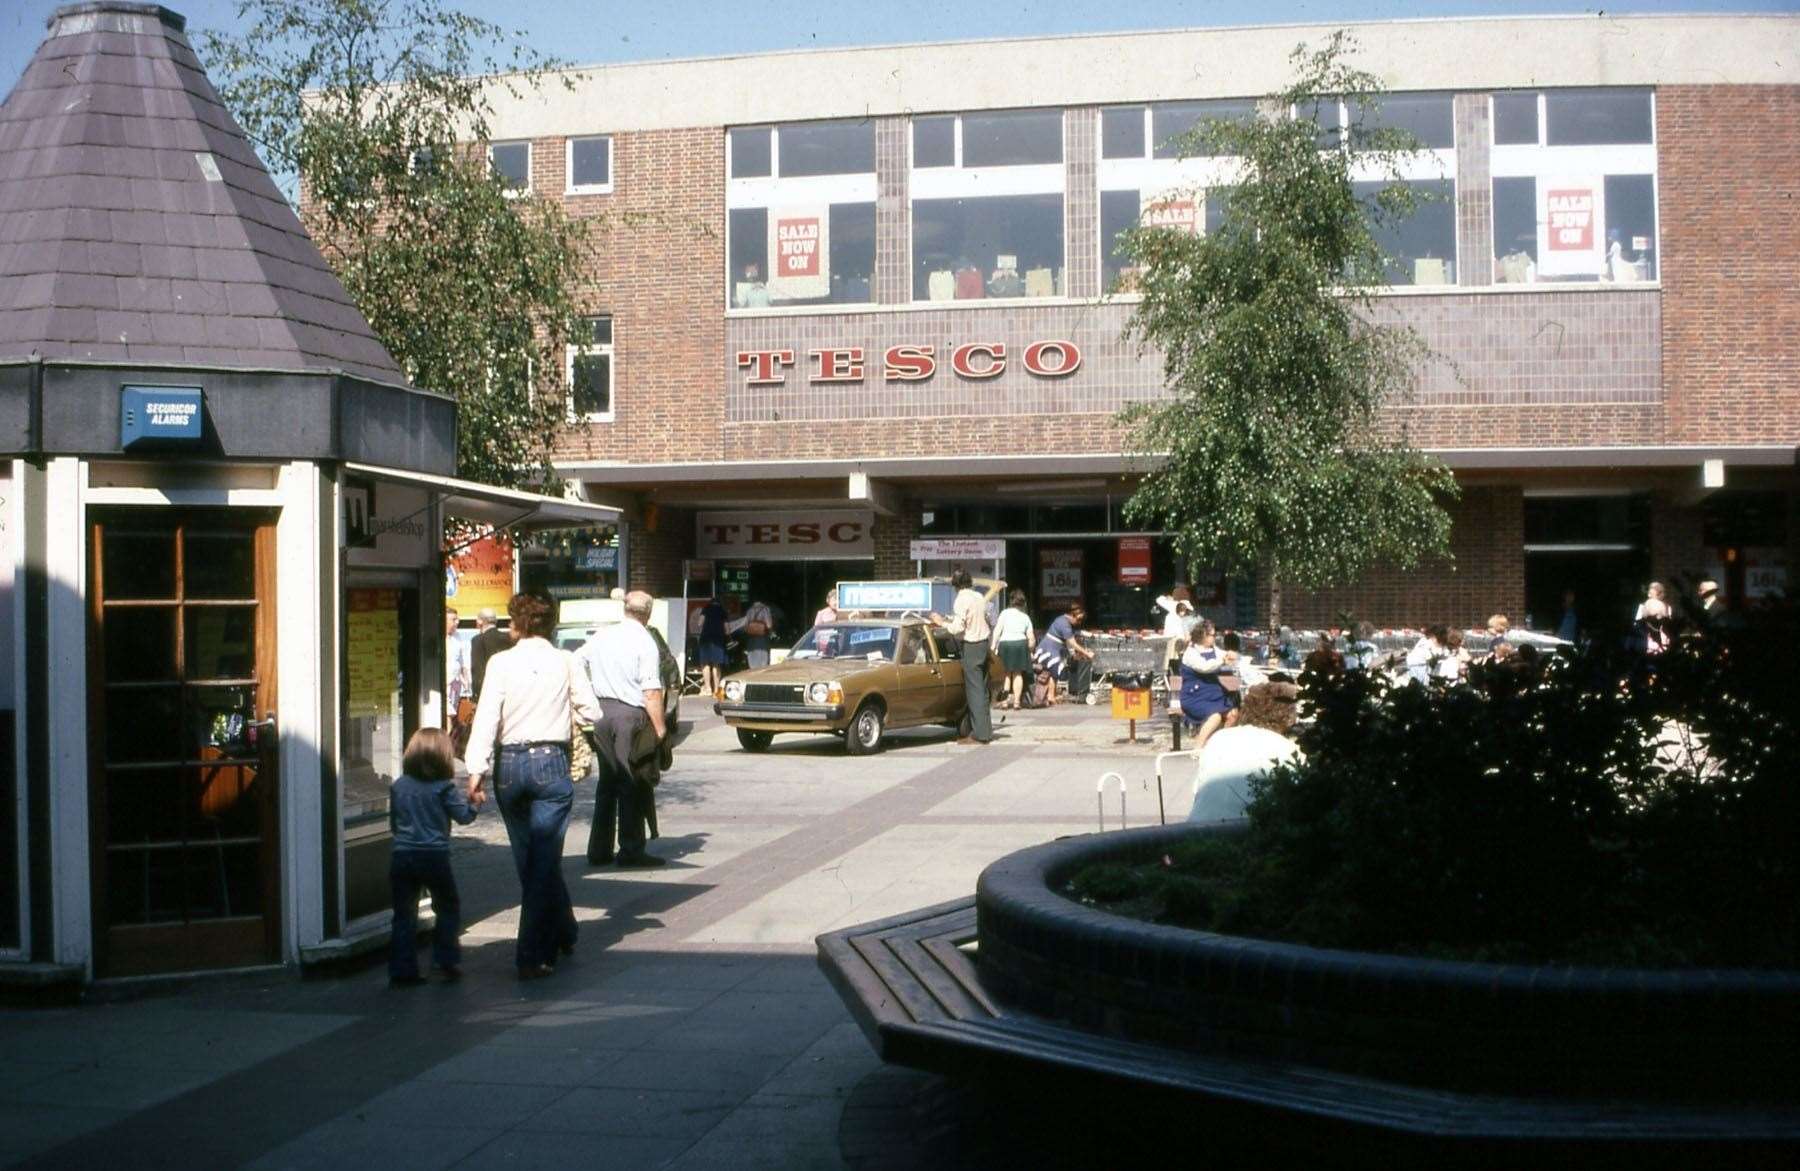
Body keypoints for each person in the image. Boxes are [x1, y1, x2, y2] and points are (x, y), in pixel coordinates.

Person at [466, 593, 601, 980]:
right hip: (549, 763)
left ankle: (564, 929)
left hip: (508, 765)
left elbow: (487, 719)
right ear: (550, 625)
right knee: (544, 861)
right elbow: (593, 711)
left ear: (518, 624)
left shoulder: (501, 662)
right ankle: (533, 952)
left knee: (530, 860)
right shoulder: (566, 660)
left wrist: (476, 771)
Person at [577, 590, 669, 869]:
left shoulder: (603, 635)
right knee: (631, 781)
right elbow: (651, 691)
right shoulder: (645, 641)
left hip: (602, 713)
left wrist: (587, 695)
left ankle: (599, 849)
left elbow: (577, 660)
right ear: (648, 613)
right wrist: (661, 729)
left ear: (625, 610)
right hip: (630, 715)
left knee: (607, 782)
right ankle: (631, 848)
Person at [387, 727, 478, 987]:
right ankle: (445, 959)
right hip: (434, 855)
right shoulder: (443, 788)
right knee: (447, 907)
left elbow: (394, 823)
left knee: (403, 914)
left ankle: (402, 970)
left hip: (402, 855)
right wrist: (475, 802)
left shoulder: (399, 786)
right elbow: (464, 817)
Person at [1186, 683, 1302, 823]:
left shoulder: (1220, 738)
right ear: (1288, 717)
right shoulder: (1287, 750)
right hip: (1246, 833)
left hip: (1196, 829)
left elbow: (1198, 789)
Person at [929, 570, 995, 745]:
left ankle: (979, 735)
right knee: (983, 689)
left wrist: (940, 622)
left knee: (975, 692)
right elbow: (984, 618)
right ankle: (986, 731)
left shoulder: (961, 600)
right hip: (983, 644)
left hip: (971, 645)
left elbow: (958, 628)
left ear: (955, 586)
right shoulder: (979, 596)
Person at [1179, 621, 1237, 749]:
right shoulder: (1191, 653)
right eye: (1212, 635)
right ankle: (1198, 748)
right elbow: (1204, 667)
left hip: (1213, 693)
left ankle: (1216, 746)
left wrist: (1230, 655)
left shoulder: (1213, 649)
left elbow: (1223, 655)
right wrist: (1222, 660)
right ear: (1203, 635)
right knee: (1215, 716)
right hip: (1195, 696)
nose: (1214, 637)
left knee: (1233, 714)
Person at [1035, 603, 1093, 703]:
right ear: (1072, 615)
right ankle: (1050, 696)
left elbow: (1070, 641)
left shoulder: (1062, 620)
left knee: (1051, 671)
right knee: (1054, 672)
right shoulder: (1064, 624)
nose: (1079, 622)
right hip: (1049, 649)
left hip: (1051, 648)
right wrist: (1086, 653)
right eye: (1078, 620)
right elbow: (1072, 642)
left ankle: (1050, 695)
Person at [991, 589, 1035, 711]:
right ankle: (1016, 702)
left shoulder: (1004, 613)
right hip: (1020, 644)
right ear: (1022, 603)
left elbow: (997, 631)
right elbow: (1031, 637)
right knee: (1018, 673)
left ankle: (1005, 702)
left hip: (1005, 644)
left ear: (1011, 601)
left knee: (1005, 674)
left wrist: (993, 647)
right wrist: (1031, 650)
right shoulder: (1025, 617)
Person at [1155, 585, 1196, 712]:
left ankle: (1174, 698)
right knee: (1179, 671)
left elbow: (1159, 599)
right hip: (1181, 642)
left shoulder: (1172, 606)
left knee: (1173, 671)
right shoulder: (1186, 608)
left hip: (1171, 642)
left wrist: (1169, 598)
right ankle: (1178, 698)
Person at [470, 607, 510, 697]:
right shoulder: (508, 637)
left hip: (487, 691)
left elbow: (477, 669)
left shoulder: (478, 640)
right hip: (507, 688)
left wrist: (476, 695)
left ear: (480, 621)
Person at [696, 595, 728, 695]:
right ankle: (716, 690)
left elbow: (699, 623)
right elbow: (727, 629)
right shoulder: (723, 611)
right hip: (718, 640)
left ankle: (708, 688)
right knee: (716, 664)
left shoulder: (706, 609)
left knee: (705, 663)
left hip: (705, 639)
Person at [444, 608, 470, 722]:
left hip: (456, 682)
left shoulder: (457, 637)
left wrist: (466, 679)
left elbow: (463, 660)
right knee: (448, 714)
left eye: (457, 619)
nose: (457, 622)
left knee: (453, 714)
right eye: (453, 619)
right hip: (444, 682)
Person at [1634, 582, 1672, 656]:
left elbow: (1668, 625)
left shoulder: (1667, 608)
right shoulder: (1642, 607)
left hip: (1659, 642)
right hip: (1645, 640)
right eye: (1649, 589)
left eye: (1652, 589)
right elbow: (1637, 625)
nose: (1649, 592)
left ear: (1658, 592)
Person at [739, 596, 775, 669]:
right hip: (762, 640)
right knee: (763, 662)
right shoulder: (765, 609)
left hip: (751, 640)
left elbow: (745, 626)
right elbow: (769, 625)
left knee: (752, 661)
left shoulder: (749, 610)